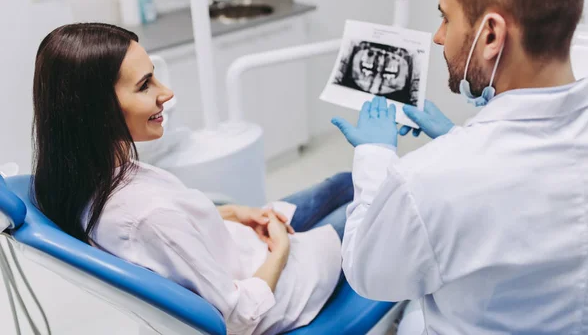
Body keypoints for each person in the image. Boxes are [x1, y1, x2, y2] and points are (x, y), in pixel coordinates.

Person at [332, 0, 588, 334]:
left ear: (491, 35)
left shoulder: (428, 181)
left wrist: (375, 154)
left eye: (446, 18)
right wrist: (455, 138)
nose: (439, 36)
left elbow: (368, 274)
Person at [31, 23, 353, 335]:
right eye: (145, 85)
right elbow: (237, 318)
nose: (166, 93)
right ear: (97, 109)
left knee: (344, 182)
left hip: (236, 243)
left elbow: (167, 237)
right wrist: (281, 249)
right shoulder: (147, 217)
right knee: (369, 209)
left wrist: (231, 213)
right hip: (272, 289)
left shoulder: (81, 179)